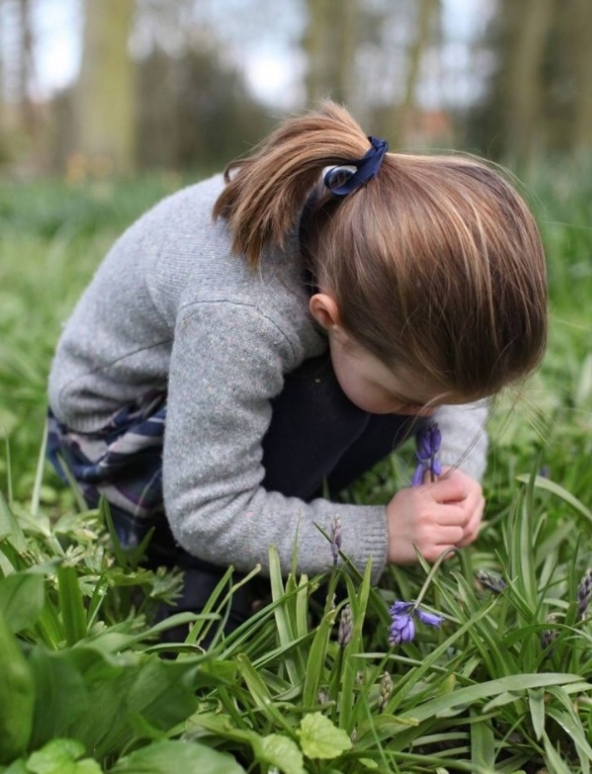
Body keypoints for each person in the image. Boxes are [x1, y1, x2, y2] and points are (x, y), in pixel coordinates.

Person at [47, 101, 547, 634]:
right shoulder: (243, 314)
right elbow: (206, 511)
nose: (425, 417)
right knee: (331, 402)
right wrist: (381, 533)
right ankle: (205, 592)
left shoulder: (371, 254)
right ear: (329, 318)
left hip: (216, 386)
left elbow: (455, 383)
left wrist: (452, 471)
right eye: (414, 398)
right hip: (112, 443)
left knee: (374, 394)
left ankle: (292, 503)